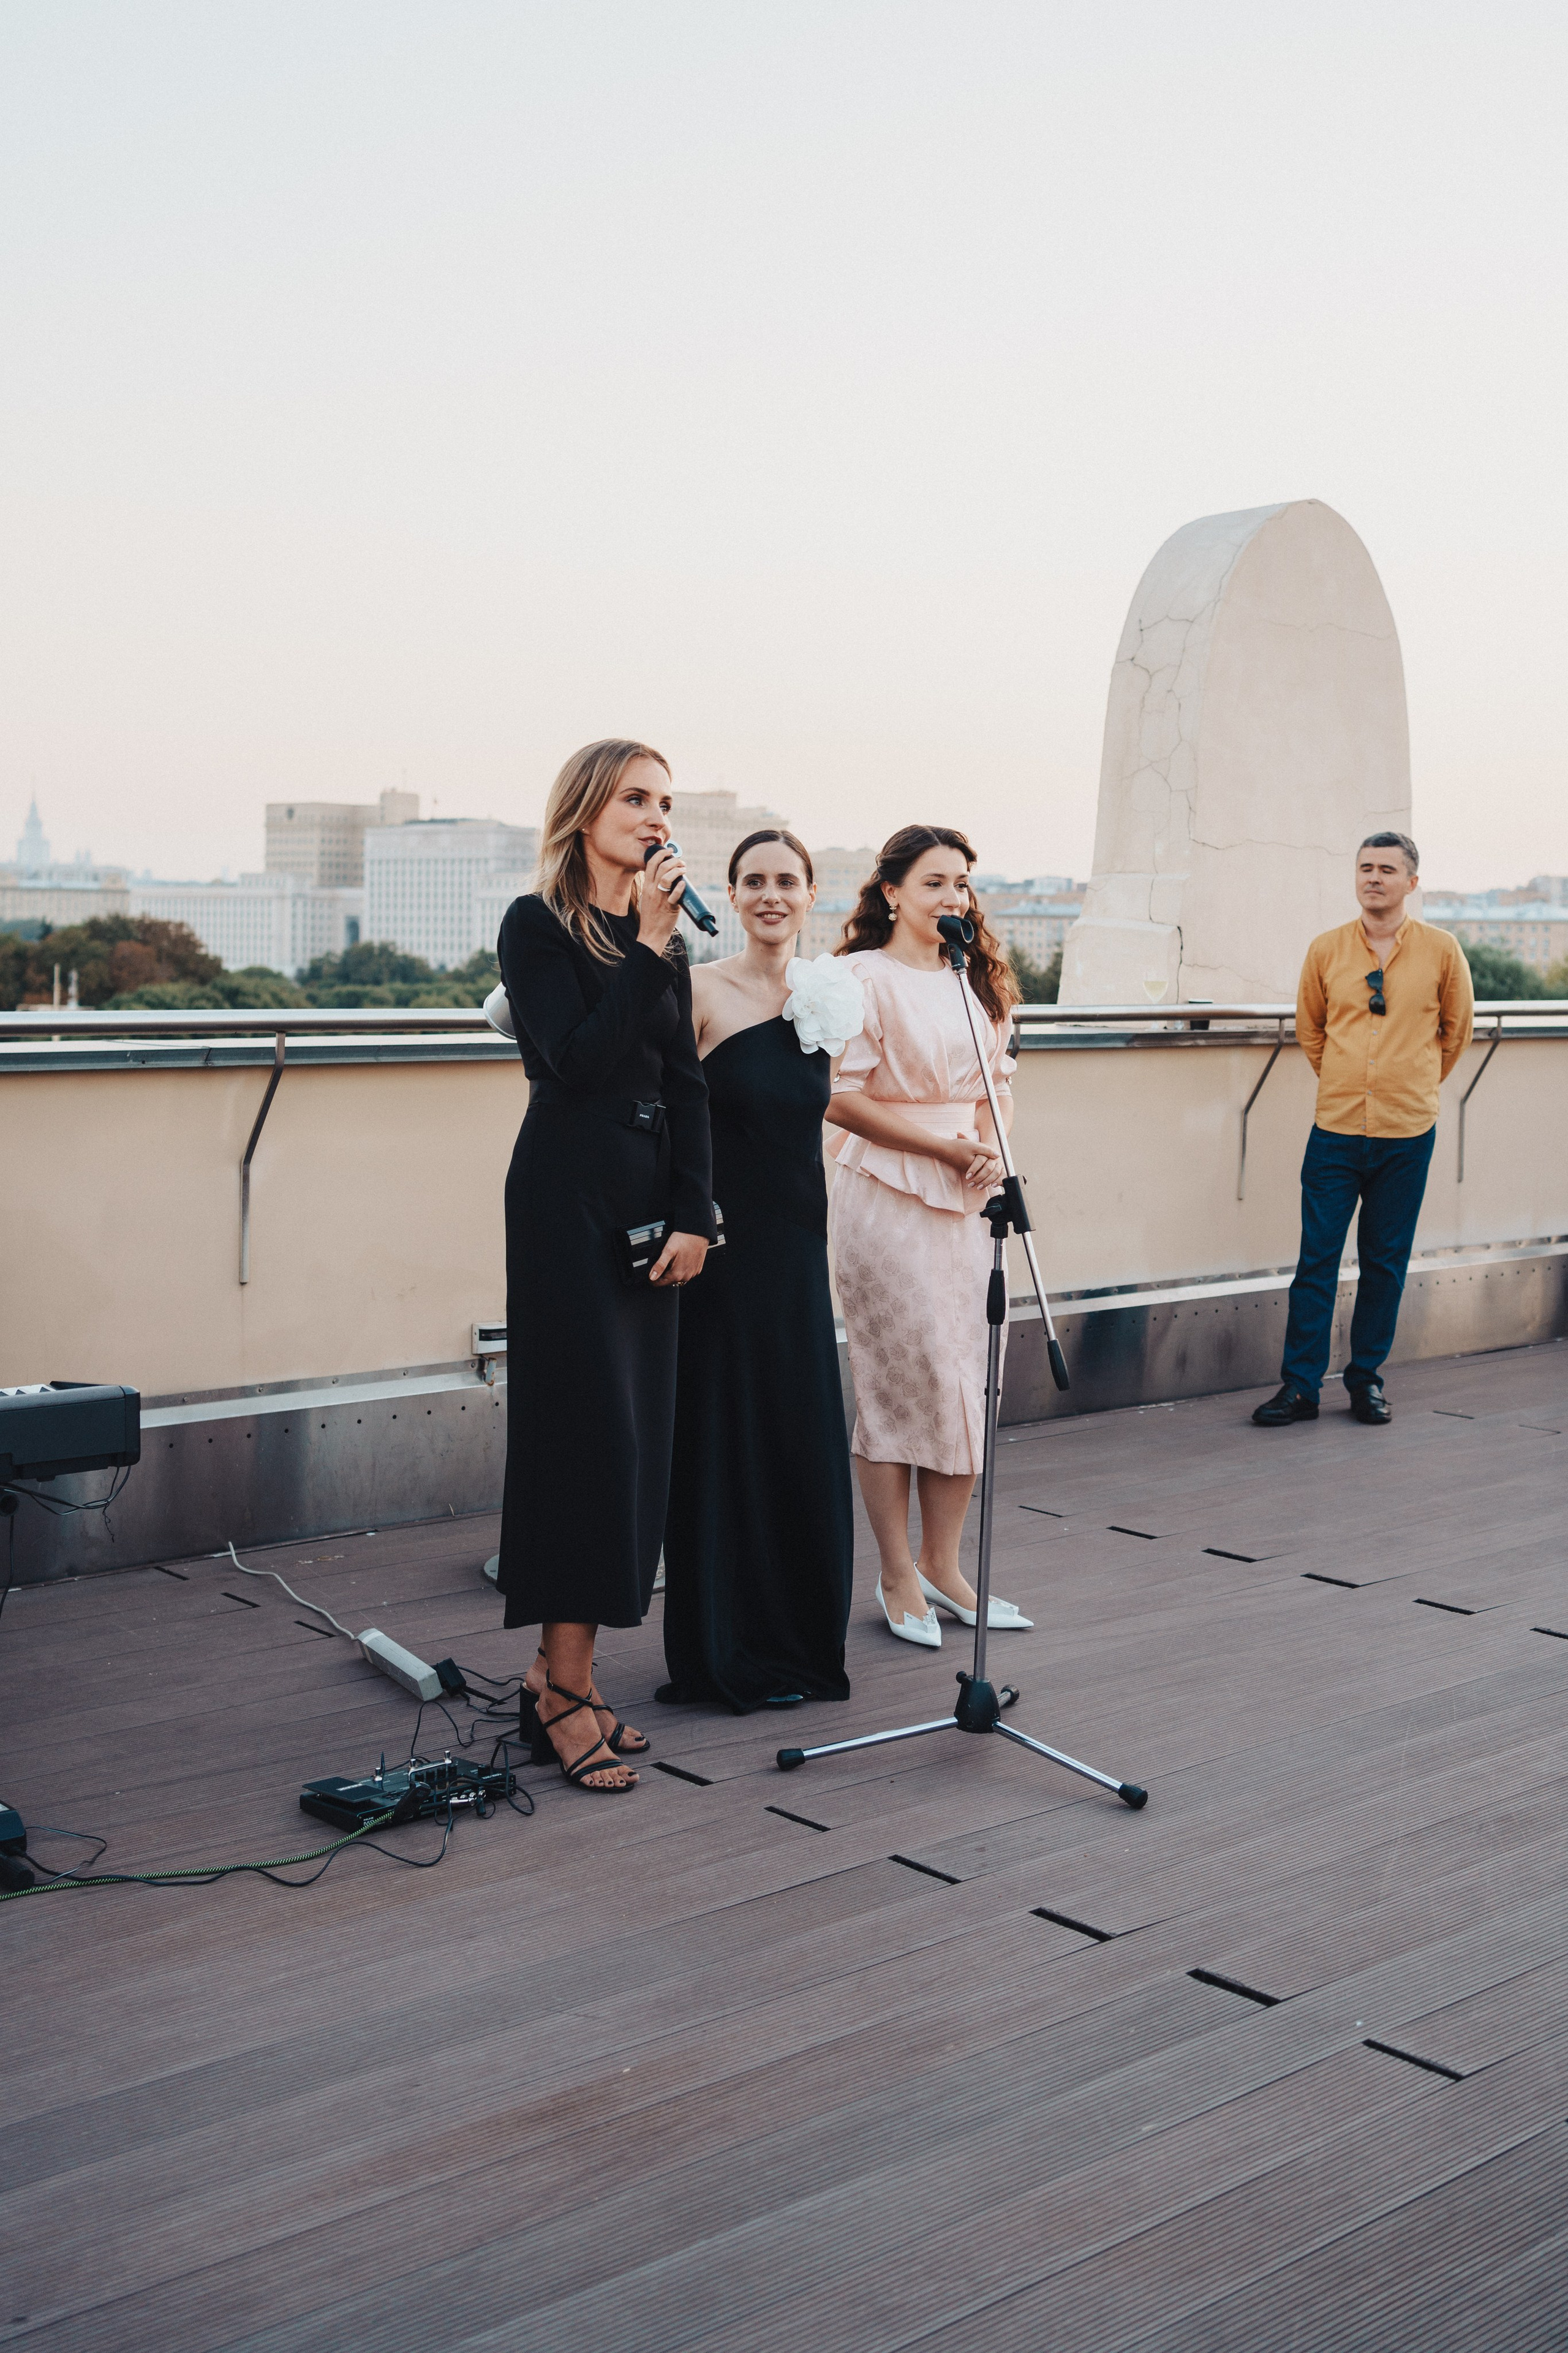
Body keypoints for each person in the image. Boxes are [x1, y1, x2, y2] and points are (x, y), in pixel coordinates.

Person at [496, 739, 715, 1792]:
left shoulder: (654, 942)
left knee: (637, 1445)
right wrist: (648, 941)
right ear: (586, 810)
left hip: (649, 1204)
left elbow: (687, 1083)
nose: (656, 816)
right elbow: (577, 1064)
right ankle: (567, 1689)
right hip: (566, 1200)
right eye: (637, 798)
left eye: (666, 801)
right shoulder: (537, 926)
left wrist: (696, 1212)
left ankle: (557, 1675)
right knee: (582, 1438)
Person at [659, 831, 860, 1711]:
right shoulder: (697, 989)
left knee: (796, 1436)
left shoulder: (824, 995)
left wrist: (944, 1146)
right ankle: (723, 1652)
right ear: (732, 897)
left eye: (787, 880)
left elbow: (828, 1105)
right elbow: (665, 1117)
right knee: (723, 1442)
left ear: (812, 894)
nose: (770, 894)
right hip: (724, 1252)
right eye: (754, 881)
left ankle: (799, 1644)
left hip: (799, 1250)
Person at [824, 825, 1033, 1647]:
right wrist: (942, 1146)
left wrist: (989, 1149)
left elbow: (999, 1082)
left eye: (963, 885)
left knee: (964, 1376)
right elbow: (838, 1097)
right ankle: (895, 1571)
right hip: (886, 1190)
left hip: (968, 1191)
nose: (954, 899)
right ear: (892, 894)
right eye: (937, 883)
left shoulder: (970, 978)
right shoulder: (856, 978)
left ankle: (945, 1566)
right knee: (899, 1378)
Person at [1253, 830, 1474, 1429]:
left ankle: (1365, 1379)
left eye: (1386, 869)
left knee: (1384, 1263)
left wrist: (1413, 1086)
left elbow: (1455, 1032)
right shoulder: (1326, 949)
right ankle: (1299, 1387)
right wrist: (1349, 1082)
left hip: (1407, 1134)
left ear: (1411, 882)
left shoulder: (1441, 950)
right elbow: (1310, 1029)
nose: (1373, 878)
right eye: (1364, 868)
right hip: (1335, 1130)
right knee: (1316, 1261)